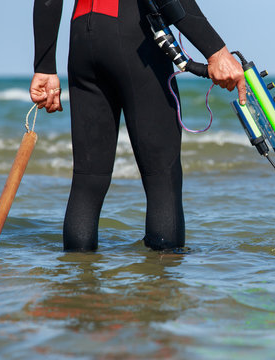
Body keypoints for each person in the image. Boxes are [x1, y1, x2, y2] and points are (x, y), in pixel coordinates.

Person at [30, 0, 246, 251]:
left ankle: (79, 284)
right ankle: (161, 285)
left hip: (82, 40)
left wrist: (44, 66)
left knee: (87, 180)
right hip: (133, 35)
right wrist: (216, 52)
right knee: (162, 177)